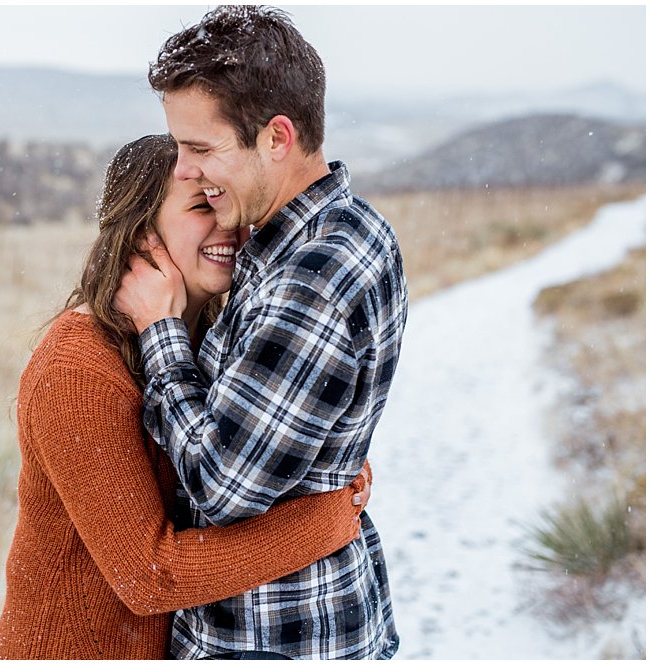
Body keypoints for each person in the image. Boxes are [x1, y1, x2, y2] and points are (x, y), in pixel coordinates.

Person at [0, 134, 374, 660]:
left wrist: (330, 463)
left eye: (226, 199)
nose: (229, 225)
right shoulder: (75, 372)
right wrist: (324, 519)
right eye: (202, 206)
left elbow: (250, 446)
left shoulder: (206, 334)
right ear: (139, 233)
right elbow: (151, 576)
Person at [113, 6, 407, 660]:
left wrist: (161, 331)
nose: (184, 170)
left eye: (199, 147)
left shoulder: (314, 275)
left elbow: (223, 485)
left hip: (270, 636)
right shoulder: (331, 231)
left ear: (276, 137)